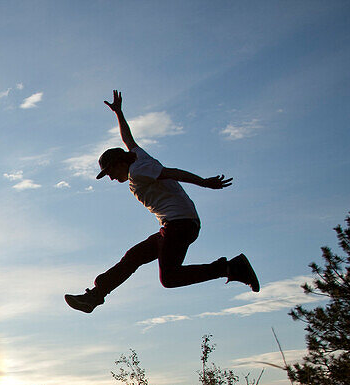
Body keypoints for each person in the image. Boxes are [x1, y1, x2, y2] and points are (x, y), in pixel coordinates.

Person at [65, 91, 259, 314]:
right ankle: (94, 297)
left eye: (109, 172)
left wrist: (204, 182)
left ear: (119, 163)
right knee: (133, 258)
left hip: (180, 224)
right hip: (174, 225)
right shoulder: (139, 157)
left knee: (169, 278)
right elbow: (128, 139)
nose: (110, 177)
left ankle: (230, 268)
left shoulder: (138, 170)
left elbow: (172, 173)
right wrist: (119, 113)